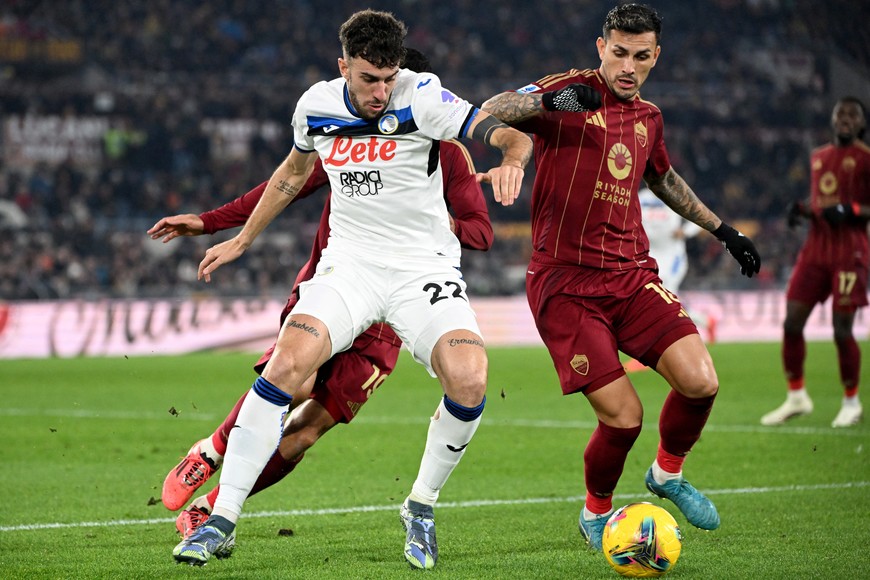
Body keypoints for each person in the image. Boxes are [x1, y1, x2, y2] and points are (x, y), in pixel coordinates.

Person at [170, 10, 533, 569]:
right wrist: (240, 239)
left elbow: (500, 132)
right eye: (369, 79)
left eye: (390, 78)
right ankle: (221, 521)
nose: (382, 92)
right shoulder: (316, 106)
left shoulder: (424, 97)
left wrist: (512, 156)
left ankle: (421, 505)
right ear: (343, 67)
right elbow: (292, 174)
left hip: (422, 271)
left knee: (471, 379)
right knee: (286, 370)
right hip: (350, 267)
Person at [481, 3, 760, 551]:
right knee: (625, 416)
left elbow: (665, 178)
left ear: (656, 56)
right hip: (566, 283)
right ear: (600, 47)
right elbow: (492, 108)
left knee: (701, 381)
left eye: (640, 56)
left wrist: (723, 229)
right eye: (618, 53)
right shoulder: (569, 89)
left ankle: (667, 475)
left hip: (632, 276)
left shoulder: (649, 118)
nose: (627, 66)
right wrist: (551, 103)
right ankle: (596, 513)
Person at [761, 96, 869, 429]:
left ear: (861, 123)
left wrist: (852, 211)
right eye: (841, 114)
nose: (846, 120)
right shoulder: (819, 156)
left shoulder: (866, 160)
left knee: (841, 330)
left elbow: (862, 207)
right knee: (792, 322)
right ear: (833, 120)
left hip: (849, 251)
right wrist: (803, 210)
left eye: (853, 115)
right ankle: (796, 396)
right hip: (815, 249)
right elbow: (822, 199)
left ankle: (851, 401)